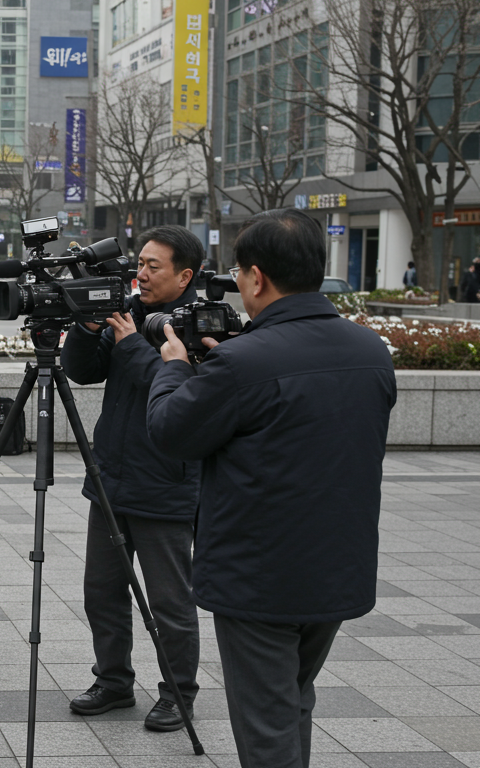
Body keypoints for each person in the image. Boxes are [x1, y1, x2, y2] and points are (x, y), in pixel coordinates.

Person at [146, 209, 396, 768]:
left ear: (256, 277)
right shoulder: (371, 351)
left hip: (260, 578)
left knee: (265, 726)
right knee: (292, 701)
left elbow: (171, 431)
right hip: (336, 567)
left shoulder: (242, 361)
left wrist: (175, 367)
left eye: (238, 275)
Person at [60, 225, 203, 732]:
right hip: (111, 479)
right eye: (139, 263)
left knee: (169, 600)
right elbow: (80, 372)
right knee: (102, 590)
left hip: (165, 485)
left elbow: (180, 391)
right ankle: (114, 681)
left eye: (153, 266)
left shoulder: (201, 325)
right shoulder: (131, 312)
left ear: (185, 275)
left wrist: (128, 344)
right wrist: (87, 328)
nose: (140, 274)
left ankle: (178, 693)